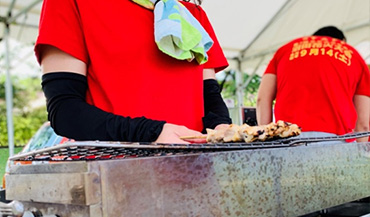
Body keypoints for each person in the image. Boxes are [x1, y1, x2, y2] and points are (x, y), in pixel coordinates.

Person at [35, 0, 232, 144]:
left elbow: (210, 97)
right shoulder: (71, 2)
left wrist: (222, 127)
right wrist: (150, 133)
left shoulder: (192, 14)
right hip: (112, 178)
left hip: (194, 173)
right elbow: (65, 111)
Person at [256, 26, 370, 142]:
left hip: (289, 138)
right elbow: (363, 124)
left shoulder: (285, 50)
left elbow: (262, 99)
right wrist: (362, 153)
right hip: (336, 141)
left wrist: (266, 138)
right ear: (341, 42)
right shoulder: (353, 55)